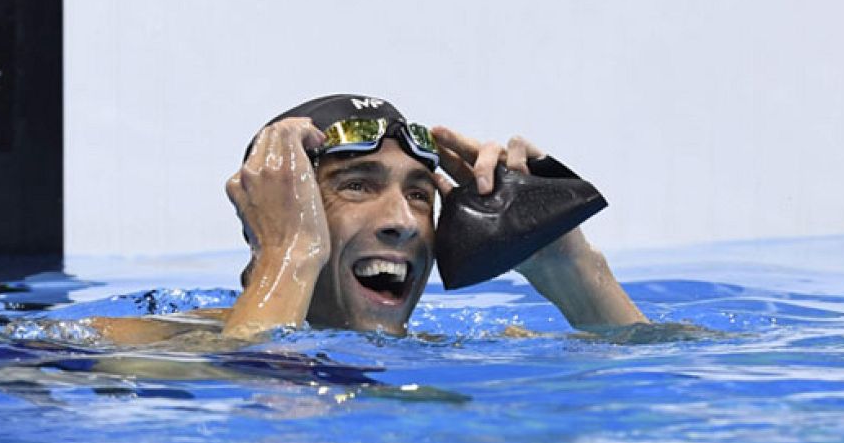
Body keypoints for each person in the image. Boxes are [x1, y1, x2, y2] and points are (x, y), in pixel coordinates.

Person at [90, 94, 645, 344]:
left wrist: (572, 271)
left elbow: (660, 376)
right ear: (275, 216)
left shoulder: (466, 347)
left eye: (421, 194)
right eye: (357, 186)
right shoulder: (133, 344)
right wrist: (289, 254)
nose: (402, 221)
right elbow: (265, 410)